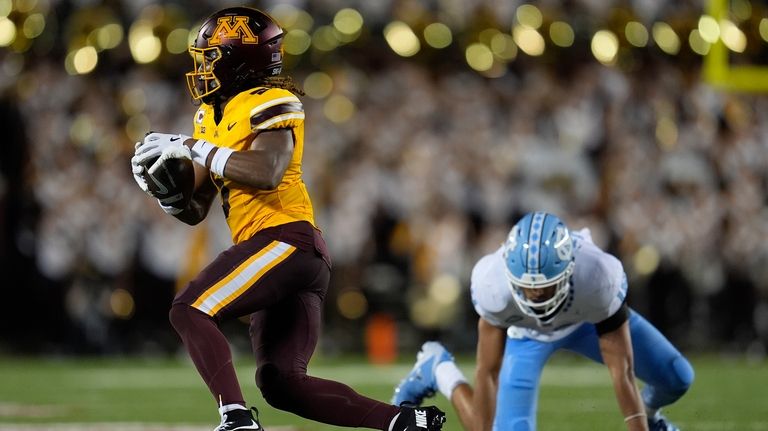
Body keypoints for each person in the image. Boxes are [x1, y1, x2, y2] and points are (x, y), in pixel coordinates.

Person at [130, 7, 445, 431]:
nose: (202, 67)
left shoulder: (271, 101)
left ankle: (236, 419)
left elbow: (266, 172)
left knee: (190, 308)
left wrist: (190, 147)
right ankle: (407, 423)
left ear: (240, 61)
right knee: (282, 384)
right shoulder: (210, 115)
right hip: (281, 252)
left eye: (211, 57)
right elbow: (197, 209)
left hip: (286, 240)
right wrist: (167, 194)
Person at [392, 212, 693, 431]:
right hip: (526, 335)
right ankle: (438, 368)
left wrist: (639, 425)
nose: (535, 294)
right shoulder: (492, 284)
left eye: (544, 285)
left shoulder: (598, 276)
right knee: (486, 428)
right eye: (526, 285)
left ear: (568, 269)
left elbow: (623, 371)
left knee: (677, 376)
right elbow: (487, 371)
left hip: (584, 321)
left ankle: (653, 419)